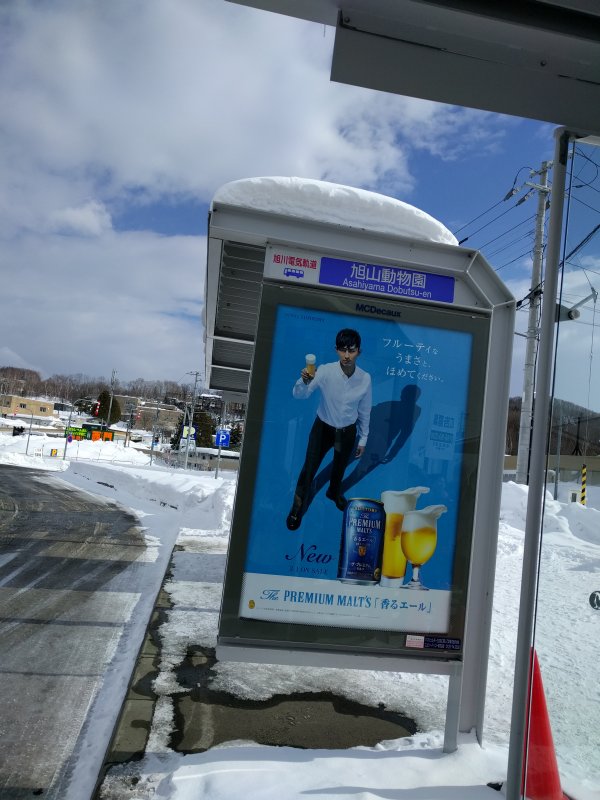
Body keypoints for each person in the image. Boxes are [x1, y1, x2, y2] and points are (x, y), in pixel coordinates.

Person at [286, 328, 372, 530]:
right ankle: (296, 508)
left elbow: (365, 410)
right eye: (343, 350)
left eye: (351, 350)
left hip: (347, 431)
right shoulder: (324, 371)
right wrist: (303, 381)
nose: (347, 355)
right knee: (308, 470)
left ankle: (334, 492)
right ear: (336, 350)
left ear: (359, 351)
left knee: (339, 467)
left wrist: (363, 438)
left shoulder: (365, 378)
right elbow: (301, 395)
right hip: (323, 428)